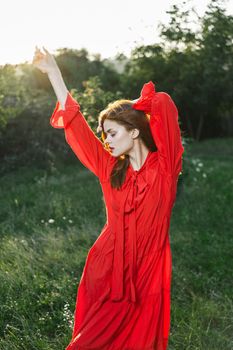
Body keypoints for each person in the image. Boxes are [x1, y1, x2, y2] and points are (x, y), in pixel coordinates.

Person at [32, 47, 184, 350]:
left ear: (135, 132)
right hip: (107, 269)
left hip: (148, 274)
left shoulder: (165, 169)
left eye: (112, 133)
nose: (106, 140)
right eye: (105, 134)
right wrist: (54, 73)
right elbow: (78, 128)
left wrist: (142, 105)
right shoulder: (110, 168)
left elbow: (165, 105)